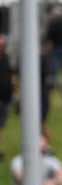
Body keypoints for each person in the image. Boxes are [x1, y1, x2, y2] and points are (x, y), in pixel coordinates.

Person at [0, 34, 12, 162]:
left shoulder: (6, 58)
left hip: (6, 97)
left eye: (3, 46)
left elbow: (10, 76)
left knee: (1, 125)